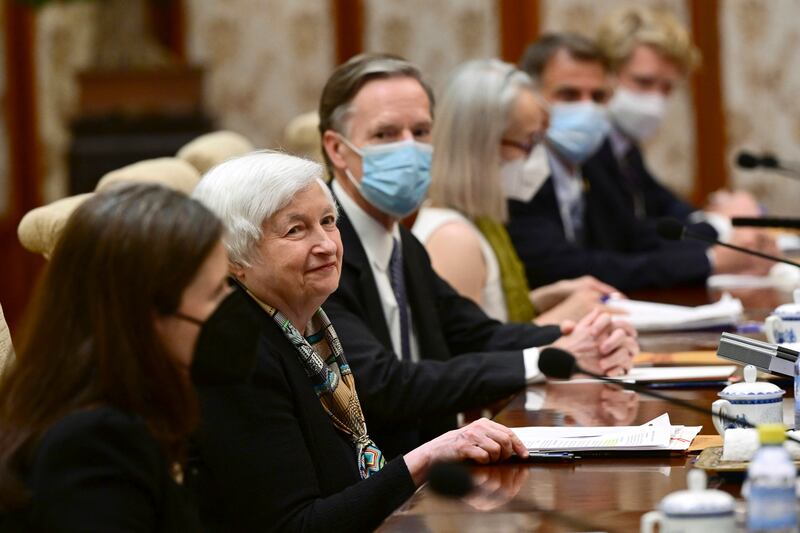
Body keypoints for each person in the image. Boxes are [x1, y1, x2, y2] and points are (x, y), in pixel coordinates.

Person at [190, 150, 531, 532]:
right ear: (235, 257)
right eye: (295, 230)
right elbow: (295, 525)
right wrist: (425, 459)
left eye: (328, 221)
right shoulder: (240, 354)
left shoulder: (312, 324)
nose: (327, 245)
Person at [318, 53, 638, 458]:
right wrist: (546, 359)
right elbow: (382, 385)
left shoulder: (400, 238)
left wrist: (584, 339)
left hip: (436, 473)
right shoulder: (325, 249)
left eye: (420, 131)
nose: (409, 148)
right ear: (338, 149)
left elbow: (475, 334)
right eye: (385, 134)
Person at [0, 183, 230, 531]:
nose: (232, 309)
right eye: (215, 294)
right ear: (147, 315)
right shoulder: (94, 442)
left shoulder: (132, 401)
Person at [510, 33, 776, 291]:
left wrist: (716, 235)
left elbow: (632, 235)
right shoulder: (518, 171)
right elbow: (565, 267)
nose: (587, 108)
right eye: (569, 95)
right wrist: (711, 255)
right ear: (530, 97)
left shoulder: (579, 159)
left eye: (598, 97)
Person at [415, 58, 623, 326]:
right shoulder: (453, 239)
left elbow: (490, 317)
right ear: (482, 146)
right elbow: (468, 359)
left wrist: (543, 298)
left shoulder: (484, 222)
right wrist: (559, 317)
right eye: (530, 142)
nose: (539, 158)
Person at [596, 5, 762, 226]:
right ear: (606, 74)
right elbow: (628, 236)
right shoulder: (588, 147)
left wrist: (714, 214)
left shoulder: (626, 147)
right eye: (644, 82)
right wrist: (716, 225)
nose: (655, 100)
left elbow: (665, 204)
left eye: (667, 88)